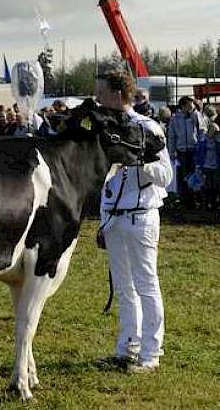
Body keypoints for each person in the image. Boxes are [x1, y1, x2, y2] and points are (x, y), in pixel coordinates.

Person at [95, 70, 171, 374]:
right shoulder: (104, 130)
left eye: (101, 92)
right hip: (113, 217)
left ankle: (151, 355)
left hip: (140, 216)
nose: (97, 98)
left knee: (146, 284)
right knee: (124, 288)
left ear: (117, 93)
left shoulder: (147, 128)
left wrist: (141, 161)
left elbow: (166, 176)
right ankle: (126, 349)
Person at [167, 96, 205, 204]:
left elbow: (202, 129)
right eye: (189, 104)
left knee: (195, 174)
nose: (191, 106)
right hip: (181, 151)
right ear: (183, 105)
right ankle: (185, 198)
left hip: (194, 149)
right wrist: (172, 151)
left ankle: (196, 197)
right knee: (183, 175)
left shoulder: (195, 115)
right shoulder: (175, 118)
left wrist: (195, 112)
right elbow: (172, 136)